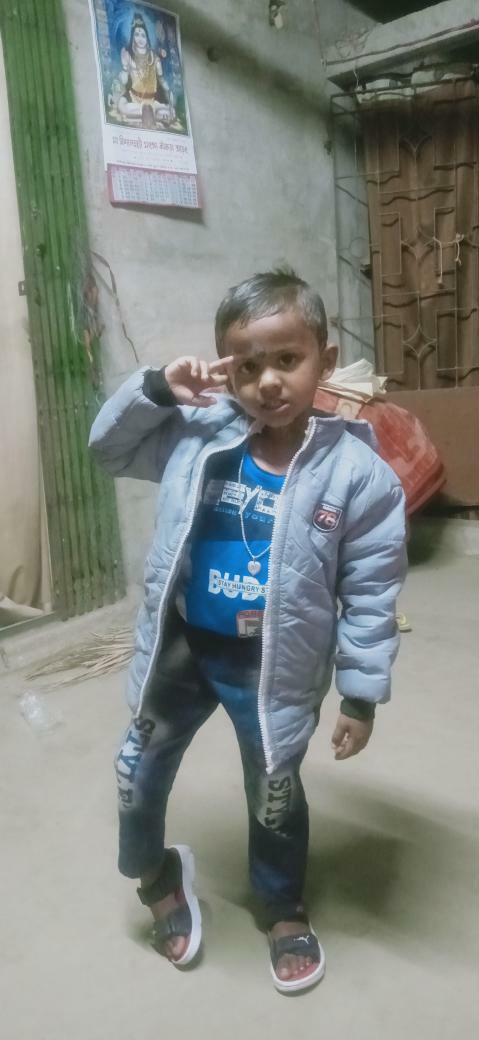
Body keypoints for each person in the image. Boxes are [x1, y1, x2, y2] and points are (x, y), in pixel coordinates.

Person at [89, 268, 406, 994]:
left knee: (274, 791)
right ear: (226, 370)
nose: (267, 381)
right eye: (247, 365)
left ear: (325, 359)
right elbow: (109, 450)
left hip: (272, 663)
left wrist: (360, 694)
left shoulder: (357, 475)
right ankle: (156, 876)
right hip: (182, 647)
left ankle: (281, 905)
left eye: (287, 359)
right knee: (135, 771)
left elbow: (370, 591)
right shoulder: (196, 435)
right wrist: (157, 389)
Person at [117, 13, 175, 128]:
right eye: (137, 35)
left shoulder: (154, 57)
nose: (140, 39)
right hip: (134, 99)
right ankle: (150, 113)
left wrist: (168, 91)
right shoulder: (128, 55)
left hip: (152, 100)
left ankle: (149, 112)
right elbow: (124, 79)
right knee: (122, 107)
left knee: (170, 111)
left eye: (143, 35)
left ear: (147, 38)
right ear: (133, 37)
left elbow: (161, 78)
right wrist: (124, 70)